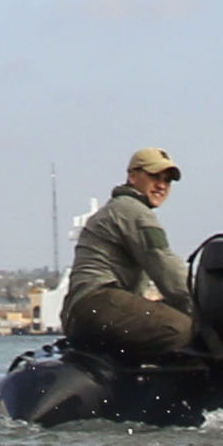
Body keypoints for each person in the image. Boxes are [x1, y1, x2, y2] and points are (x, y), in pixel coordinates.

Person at [62, 148, 194, 360]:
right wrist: (205, 310)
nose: (161, 185)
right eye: (154, 176)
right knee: (184, 329)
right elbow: (167, 268)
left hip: (82, 311)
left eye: (167, 180)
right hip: (97, 302)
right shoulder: (133, 211)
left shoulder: (120, 208)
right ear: (132, 176)